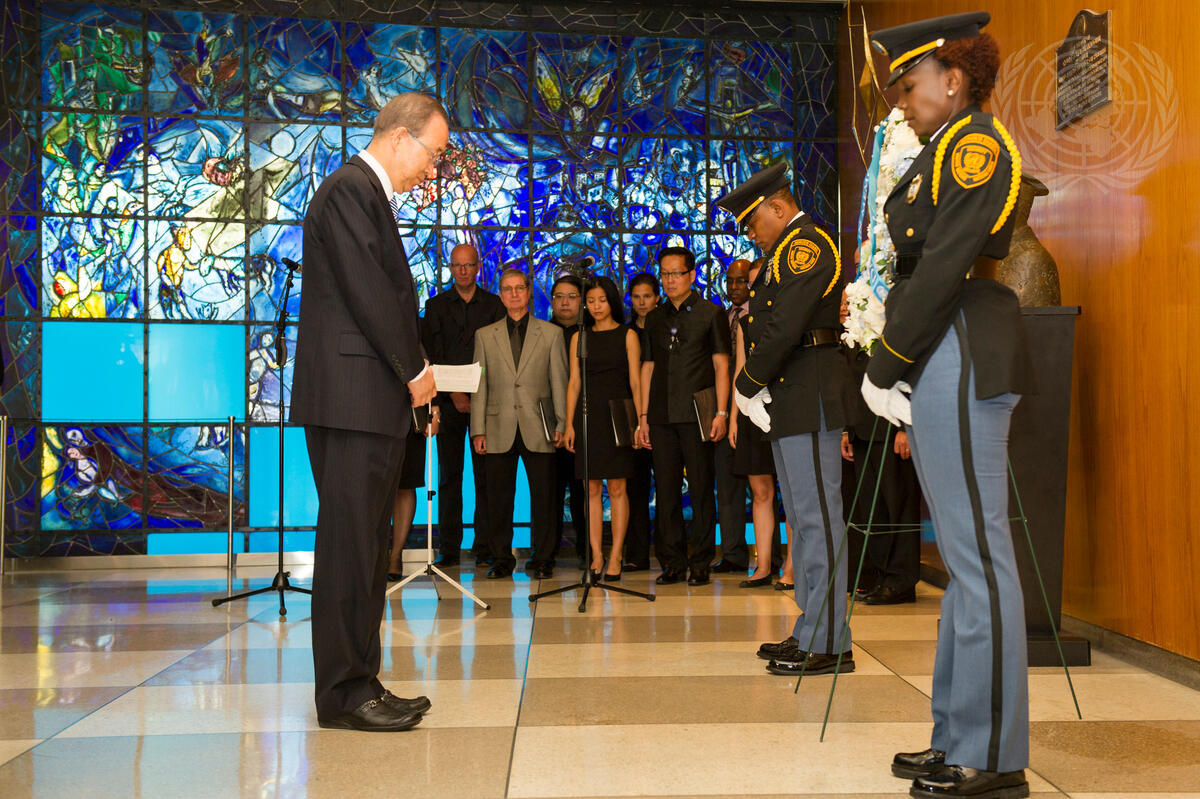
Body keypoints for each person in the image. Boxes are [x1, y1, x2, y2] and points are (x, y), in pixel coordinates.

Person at [865, 14, 1035, 799]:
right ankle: (958, 734)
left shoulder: (973, 146)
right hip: (942, 346)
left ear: (953, 79)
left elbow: (942, 262)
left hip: (960, 343)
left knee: (977, 560)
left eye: (909, 85)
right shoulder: (941, 149)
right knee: (964, 564)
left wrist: (887, 358)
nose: (901, 101)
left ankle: (993, 755)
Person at [290, 92, 445, 732]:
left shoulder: (362, 193)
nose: (432, 169)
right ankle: (345, 694)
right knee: (350, 548)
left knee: (362, 547)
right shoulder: (349, 190)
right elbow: (371, 294)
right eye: (433, 154)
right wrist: (416, 372)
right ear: (402, 136)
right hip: (354, 400)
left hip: (365, 401)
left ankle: (362, 682)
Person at [717, 161, 852, 677]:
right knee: (802, 518)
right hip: (790, 393)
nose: (752, 234)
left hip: (808, 391)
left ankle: (830, 640)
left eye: (754, 222)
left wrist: (747, 382)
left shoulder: (806, 246)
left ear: (778, 207)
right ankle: (811, 627)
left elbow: (785, 324)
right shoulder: (782, 252)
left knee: (819, 520)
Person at [636, 246, 731, 587]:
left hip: (698, 414)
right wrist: (643, 416)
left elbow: (721, 365)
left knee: (702, 489)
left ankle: (701, 561)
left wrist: (722, 412)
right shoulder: (655, 317)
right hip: (661, 415)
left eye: (676, 273)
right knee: (666, 491)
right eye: (665, 274)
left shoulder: (711, 313)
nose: (670, 280)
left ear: (692, 274)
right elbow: (648, 367)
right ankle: (672, 562)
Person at [471, 268, 568, 579]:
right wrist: (478, 429)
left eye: (519, 288)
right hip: (497, 425)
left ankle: (543, 558)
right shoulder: (484, 335)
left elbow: (559, 381)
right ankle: (501, 558)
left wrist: (562, 423)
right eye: (507, 289)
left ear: (528, 292)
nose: (513, 294)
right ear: (500, 295)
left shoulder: (551, 334)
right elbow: (479, 385)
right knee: (498, 498)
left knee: (544, 497)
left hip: (540, 425)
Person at [421, 242, 504, 567]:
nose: (463, 271)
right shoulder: (436, 306)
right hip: (446, 402)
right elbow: (432, 354)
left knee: (487, 477)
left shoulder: (494, 305)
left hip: (486, 402)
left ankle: (484, 546)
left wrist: (476, 396)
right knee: (449, 477)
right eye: (457, 265)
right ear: (450, 268)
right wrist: (454, 393)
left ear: (478, 266)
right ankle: (449, 548)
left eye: (468, 265)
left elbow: (498, 357)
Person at [838, 286, 921, 605]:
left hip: (892, 428)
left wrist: (905, 427)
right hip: (862, 429)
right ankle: (881, 575)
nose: (846, 308)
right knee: (872, 510)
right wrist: (847, 430)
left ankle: (901, 579)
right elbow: (851, 382)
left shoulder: (896, 321)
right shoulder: (857, 329)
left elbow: (909, 374)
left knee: (899, 505)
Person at [563, 276, 642, 580]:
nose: (596, 307)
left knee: (618, 487)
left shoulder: (628, 335)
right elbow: (574, 383)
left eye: (602, 300)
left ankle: (617, 554)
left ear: (612, 302)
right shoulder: (579, 337)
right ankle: (596, 554)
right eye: (590, 301)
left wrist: (640, 421)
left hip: (619, 416)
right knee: (591, 488)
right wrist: (569, 424)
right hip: (588, 416)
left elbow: (635, 381)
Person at [728, 258, 785, 588]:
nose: (754, 288)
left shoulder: (787, 316)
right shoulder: (745, 322)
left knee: (790, 491)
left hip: (784, 407)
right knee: (760, 490)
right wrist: (734, 416)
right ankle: (763, 566)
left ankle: (792, 567)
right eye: (752, 283)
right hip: (751, 409)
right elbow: (739, 369)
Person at [711, 258, 752, 575]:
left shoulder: (761, 317)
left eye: (742, 280)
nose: (735, 287)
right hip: (725, 410)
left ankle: (771, 556)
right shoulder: (722, 318)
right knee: (726, 486)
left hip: (757, 410)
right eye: (730, 280)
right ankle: (733, 553)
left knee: (763, 486)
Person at [548, 273, 589, 570]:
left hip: (584, 423)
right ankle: (545, 553)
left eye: (572, 297)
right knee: (549, 493)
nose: (565, 302)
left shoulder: (591, 332)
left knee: (582, 492)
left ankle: (587, 550)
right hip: (548, 425)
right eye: (559, 297)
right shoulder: (541, 332)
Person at [623, 272, 660, 571]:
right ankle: (636, 554)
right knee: (635, 487)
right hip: (633, 416)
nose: (642, 302)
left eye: (647, 296)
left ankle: (668, 552)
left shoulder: (666, 327)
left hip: (663, 413)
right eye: (636, 297)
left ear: (657, 297)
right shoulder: (625, 332)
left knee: (668, 487)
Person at [386, 411, 439, 580]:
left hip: (411, 415)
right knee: (373, 488)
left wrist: (435, 411)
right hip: (372, 415)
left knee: (406, 483)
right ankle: (375, 556)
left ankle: (395, 557)